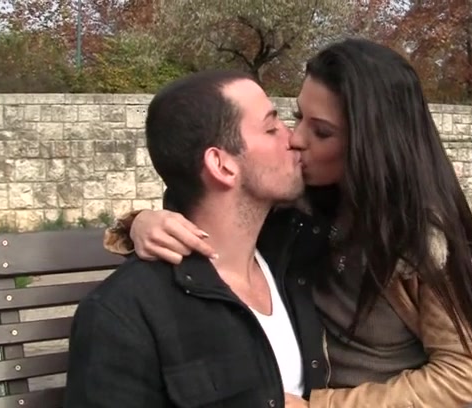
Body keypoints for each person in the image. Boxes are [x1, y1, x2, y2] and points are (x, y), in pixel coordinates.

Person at [104, 38, 472, 408]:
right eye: (298, 117)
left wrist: (320, 405)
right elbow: (213, 202)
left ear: (372, 143)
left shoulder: (422, 238)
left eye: (321, 131)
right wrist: (142, 222)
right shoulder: (301, 206)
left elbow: (461, 372)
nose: (295, 138)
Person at [64, 69, 329, 408]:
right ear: (222, 165)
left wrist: (136, 221)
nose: (292, 138)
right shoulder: (123, 314)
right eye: (271, 128)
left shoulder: (291, 257)